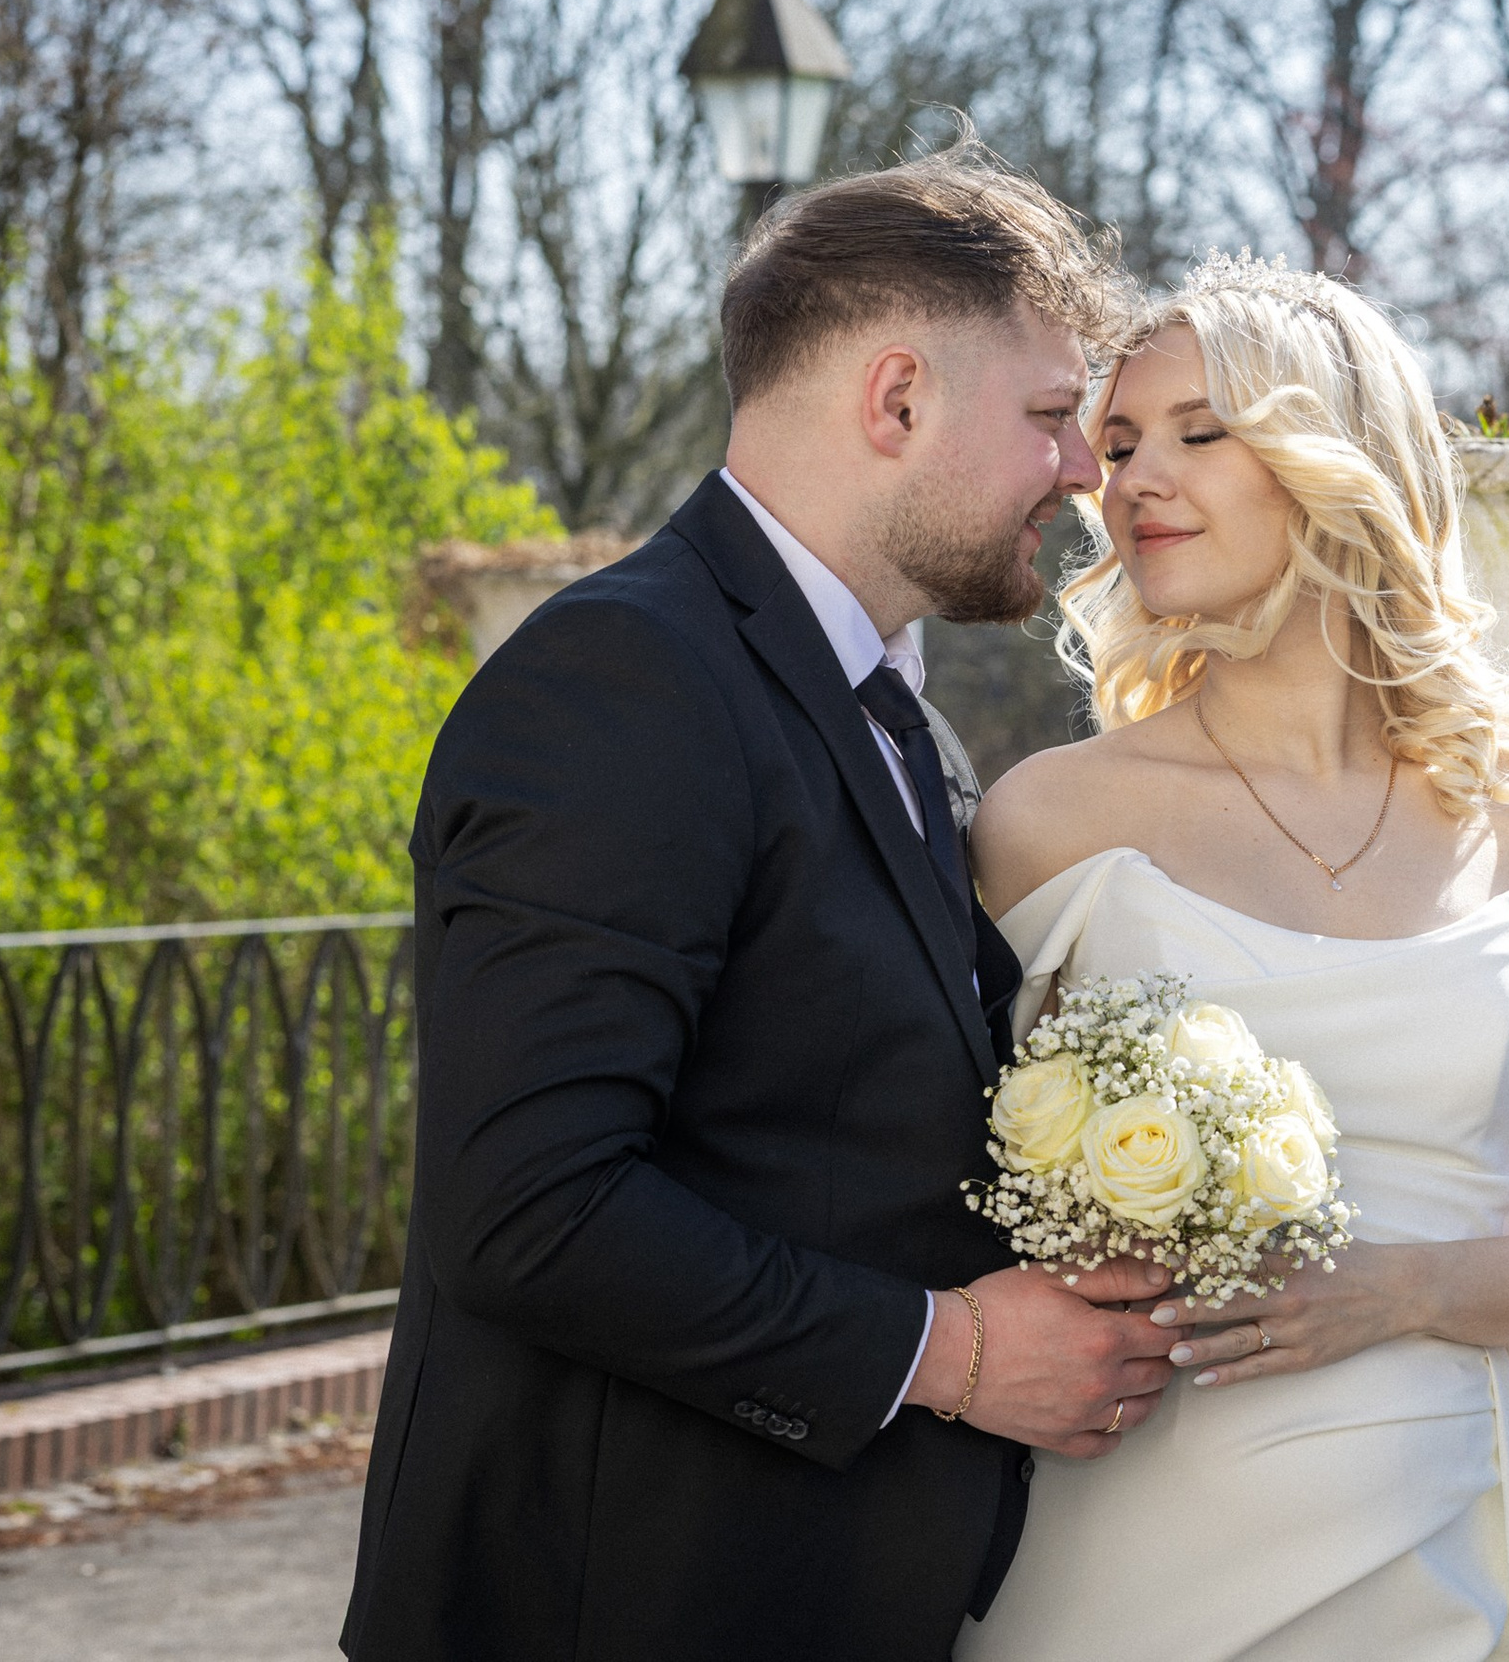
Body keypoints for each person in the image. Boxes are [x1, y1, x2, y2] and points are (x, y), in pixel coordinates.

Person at [338, 146, 1190, 1662]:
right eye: (1052, 415)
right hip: (616, 1607)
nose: (1084, 473)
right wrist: (947, 1354)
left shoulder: (898, 721)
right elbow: (529, 1212)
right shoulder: (623, 682)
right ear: (898, 399)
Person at [962, 254, 1509, 1661]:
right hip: (1129, 1537)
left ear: (1339, 461)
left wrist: (1420, 1290)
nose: (1131, 481)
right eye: (1118, 445)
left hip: (1448, 1534)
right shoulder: (1045, 822)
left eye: (1200, 432)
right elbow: (934, 1177)